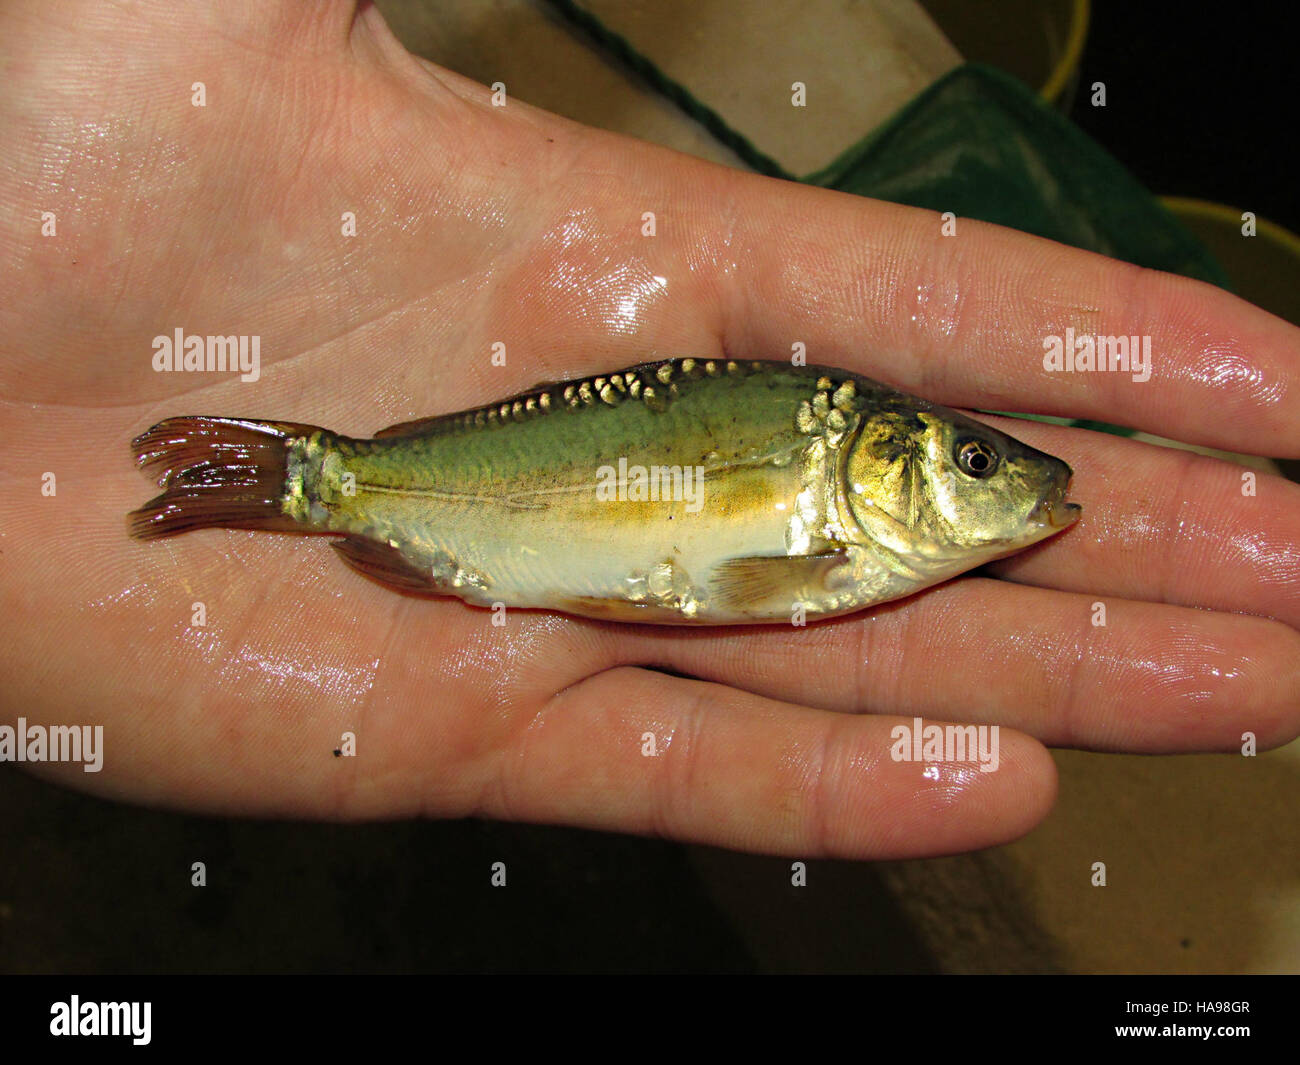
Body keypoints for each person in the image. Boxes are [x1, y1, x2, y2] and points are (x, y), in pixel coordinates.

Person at [1, 0, 1296, 859]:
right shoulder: (823, 506)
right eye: (973, 458)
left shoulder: (843, 515)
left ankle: (324, 478)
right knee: (348, 482)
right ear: (883, 462)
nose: (1006, 480)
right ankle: (321, 478)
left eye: (983, 461)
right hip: (418, 491)